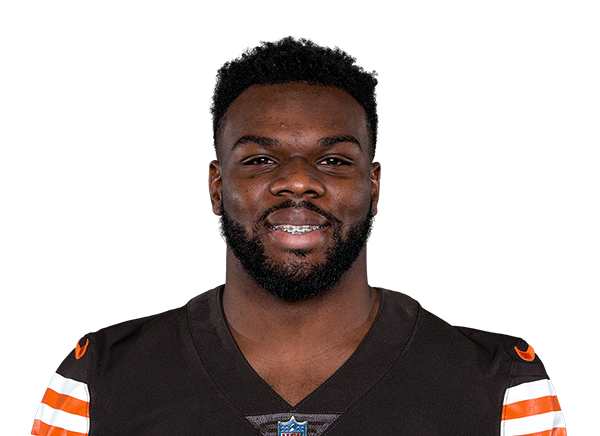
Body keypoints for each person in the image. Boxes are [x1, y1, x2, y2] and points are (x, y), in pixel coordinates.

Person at [32, 36, 565, 436]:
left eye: (333, 160)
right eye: (260, 160)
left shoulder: (499, 385)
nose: (298, 181)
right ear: (217, 185)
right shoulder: (98, 380)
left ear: (373, 183)